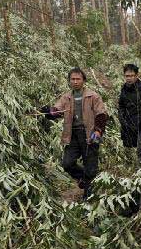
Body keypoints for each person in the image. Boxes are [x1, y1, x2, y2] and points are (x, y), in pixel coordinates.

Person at [44, 67, 108, 200]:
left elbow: (101, 114)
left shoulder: (93, 96)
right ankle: (83, 179)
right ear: (69, 81)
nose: (75, 81)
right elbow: (57, 110)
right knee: (67, 163)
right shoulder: (66, 97)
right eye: (72, 79)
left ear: (83, 80)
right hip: (72, 134)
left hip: (89, 134)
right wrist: (49, 112)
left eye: (78, 79)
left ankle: (89, 196)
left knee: (90, 166)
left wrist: (98, 130)